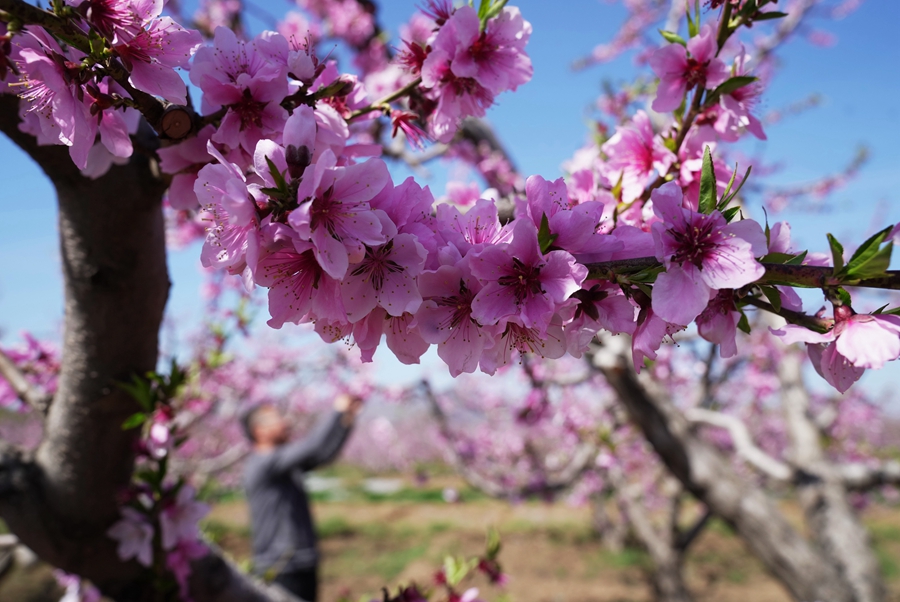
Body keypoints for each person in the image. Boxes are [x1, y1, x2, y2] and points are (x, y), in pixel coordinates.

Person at [241, 393, 362, 601]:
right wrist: (337, 411)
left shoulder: (284, 466)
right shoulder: (263, 463)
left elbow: (322, 454)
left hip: (301, 561)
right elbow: (312, 446)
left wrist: (346, 421)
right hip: (280, 565)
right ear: (259, 431)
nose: (285, 423)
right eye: (276, 419)